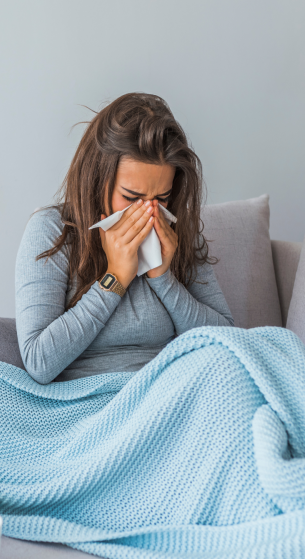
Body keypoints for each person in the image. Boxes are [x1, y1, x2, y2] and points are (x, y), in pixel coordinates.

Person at [15, 92, 235, 385]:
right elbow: (39, 362)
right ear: (96, 178)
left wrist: (163, 278)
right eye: (131, 197)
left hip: (171, 389)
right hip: (92, 401)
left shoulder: (176, 233)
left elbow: (229, 341)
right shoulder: (52, 230)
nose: (147, 212)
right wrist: (115, 278)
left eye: (162, 197)